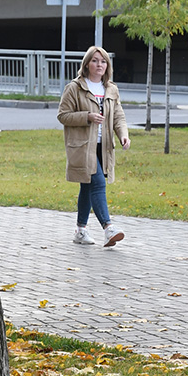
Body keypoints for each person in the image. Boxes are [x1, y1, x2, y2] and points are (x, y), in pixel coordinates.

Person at [57, 46, 131, 247]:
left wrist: (123, 135)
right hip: (82, 147)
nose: (100, 65)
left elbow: (118, 116)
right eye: (95, 61)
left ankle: (81, 230)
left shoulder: (111, 89)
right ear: (87, 64)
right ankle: (108, 228)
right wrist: (87, 117)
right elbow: (63, 115)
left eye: (103, 61)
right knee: (98, 183)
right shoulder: (75, 87)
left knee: (87, 187)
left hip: (103, 146)